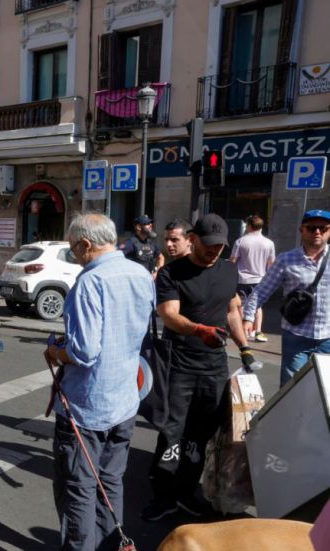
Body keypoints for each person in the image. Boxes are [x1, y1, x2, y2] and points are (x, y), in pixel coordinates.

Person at [44, 213, 154, 551]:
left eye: (73, 249)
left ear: (85, 244)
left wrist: (56, 352)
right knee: (111, 482)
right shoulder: (141, 273)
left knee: (78, 489)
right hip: (125, 399)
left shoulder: (90, 282)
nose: (74, 255)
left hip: (87, 406)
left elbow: (85, 351)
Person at [144, 213, 259, 521]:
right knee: (172, 432)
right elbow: (169, 314)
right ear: (193, 240)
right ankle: (163, 495)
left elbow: (232, 310)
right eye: (209, 245)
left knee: (201, 433)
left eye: (220, 246)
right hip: (179, 365)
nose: (214, 251)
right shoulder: (172, 273)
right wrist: (199, 331)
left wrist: (244, 347)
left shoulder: (229, 270)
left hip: (214, 367)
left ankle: (186, 492)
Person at [243, 209, 330, 386]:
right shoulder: (286, 259)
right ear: (301, 230)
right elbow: (262, 290)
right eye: (311, 228)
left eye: (323, 228)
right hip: (296, 336)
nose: (317, 232)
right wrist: (248, 317)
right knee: (292, 387)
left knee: (324, 388)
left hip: (328, 337)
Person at [230, 215, 276, 342]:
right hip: (260, 279)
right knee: (257, 306)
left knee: (241, 305)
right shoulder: (269, 243)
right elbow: (271, 264)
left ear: (249, 225)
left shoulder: (240, 241)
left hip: (242, 279)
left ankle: (243, 331)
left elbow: (232, 261)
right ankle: (258, 332)